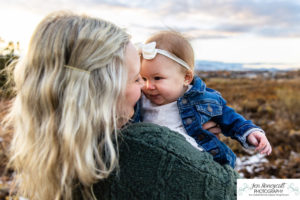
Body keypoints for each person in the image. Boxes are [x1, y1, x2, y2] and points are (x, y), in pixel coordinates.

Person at [6, 11, 239, 200]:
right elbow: (240, 193)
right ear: (104, 91)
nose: (145, 88)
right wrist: (197, 152)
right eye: (137, 78)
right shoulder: (144, 149)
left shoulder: (48, 161)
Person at [137, 31, 272, 168]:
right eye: (143, 78)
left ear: (186, 78)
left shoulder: (202, 99)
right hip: (156, 165)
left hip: (199, 165)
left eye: (157, 78)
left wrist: (249, 132)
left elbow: (230, 118)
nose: (148, 86)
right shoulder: (139, 100)